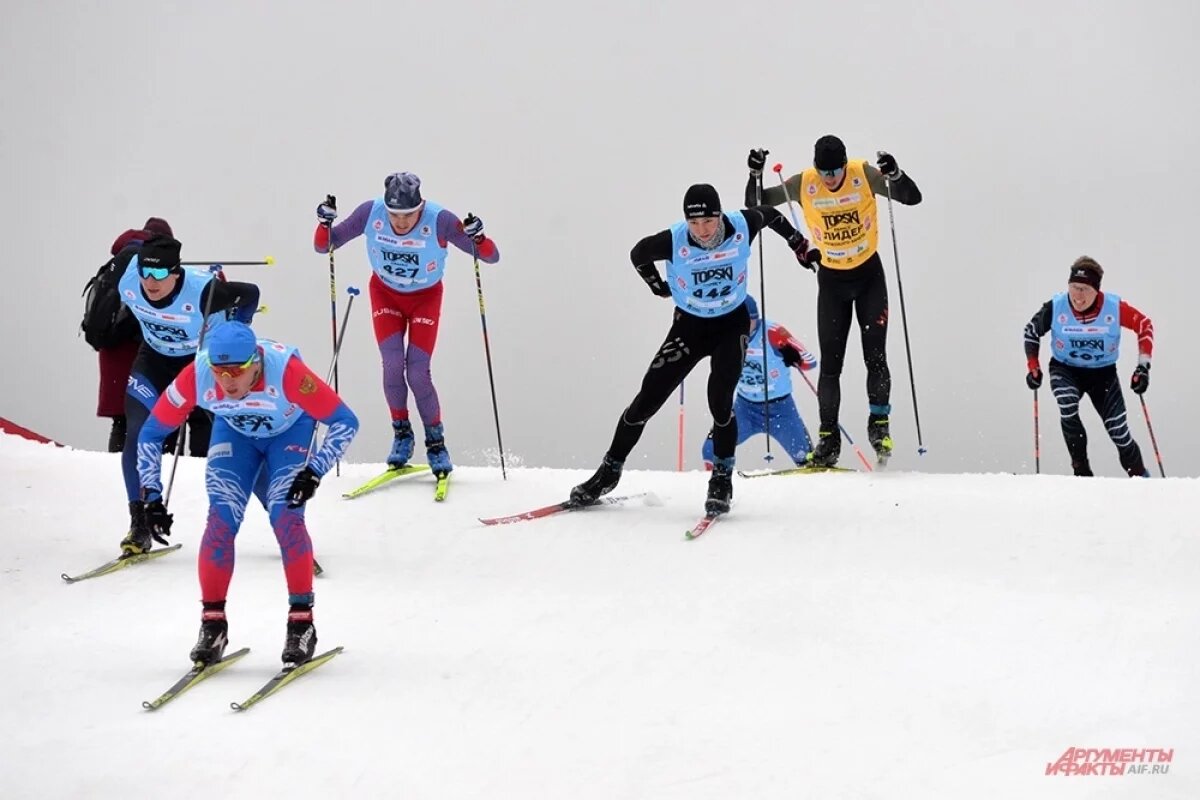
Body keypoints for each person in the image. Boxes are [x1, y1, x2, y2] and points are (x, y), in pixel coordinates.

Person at [570, 183, 821, 516]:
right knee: (647, 399)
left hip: (731, 325)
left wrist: (799, 245)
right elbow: (638, 253)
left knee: (720, 401)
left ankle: (721, 478)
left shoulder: (742, 225)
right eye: (695, 223)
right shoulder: (674, 241)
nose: (702, 230)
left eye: (708, 221)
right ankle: (609, 471)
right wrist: (656, 284)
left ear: (719, 215)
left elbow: (772, 216)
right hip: (690, 328)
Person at [135, 321, 359, 666]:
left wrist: (314, 471)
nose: (226, 381)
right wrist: (150, 496)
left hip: (289, 432)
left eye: (237, 371)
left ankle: (301, 623)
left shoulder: (287, 373)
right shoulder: (197, 375)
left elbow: (345, 420)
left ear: (255, 361)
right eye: (219, 371)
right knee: (221, 520)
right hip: (236, 434)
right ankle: (213, 625)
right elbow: (151, 433)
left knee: (286, 515)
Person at [747, 136, 922, 466]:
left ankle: (879, 425)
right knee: (831, 366)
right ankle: (829, 440)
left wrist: (896, 174)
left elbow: (912, 198)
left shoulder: (863, 175)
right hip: (832, 282)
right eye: (823, 171)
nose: (830, 178)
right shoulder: (804, 183)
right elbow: (758, 205)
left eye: (835, 170)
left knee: (876, 357)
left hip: (869, 276)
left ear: (845, 164)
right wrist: (755, 175)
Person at [312, 172, 500, 477]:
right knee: (391, 365)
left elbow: (490, 257)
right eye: (394, 215)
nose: (400, 222)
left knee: (417, 371)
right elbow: (326, 246)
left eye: (408, 215)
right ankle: (402, 434)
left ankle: (436, 443)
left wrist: (479, 237)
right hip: (385, 296)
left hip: (425, 298)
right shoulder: (369, 213)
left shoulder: (439, 220)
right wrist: (324, 224)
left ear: (420, 206)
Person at [116, 233, 260, 554]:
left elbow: (251, 294)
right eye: (144, 272)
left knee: (236, 437)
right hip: (153, 361)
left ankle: (285, 520)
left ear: (176, 273)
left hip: (198, 366)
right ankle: (139, 522)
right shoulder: (127, 273)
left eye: (158, 275)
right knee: (137, 432)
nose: (149, 283)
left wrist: (236, 328)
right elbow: (127, 250)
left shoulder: (206, 291)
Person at [1023, 256, 1153, 477]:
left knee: (1119, 431)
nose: (1078, 296)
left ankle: (1141, 478)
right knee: (1066, 403)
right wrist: (1033, 366)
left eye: (1084, 289)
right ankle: (1081, 471)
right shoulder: (1057, 307)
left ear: (1096, 290)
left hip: (1102, 374)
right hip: (1066, 369)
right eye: (1073, 287)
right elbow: (1031, 331)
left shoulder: (1113, 307)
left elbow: (1144, 325)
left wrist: (1143, 367)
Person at [700, 295, 818, 467]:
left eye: (750, 321)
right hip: (745, 409)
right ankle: (718, 485)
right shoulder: (725, 334)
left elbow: (810, 362)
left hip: (781, 409)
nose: (745, 327)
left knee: (807, 459)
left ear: (757, 319)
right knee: (710, 450)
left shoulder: (772, 332)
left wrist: (793, 356)